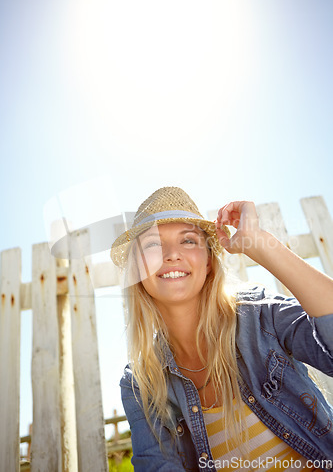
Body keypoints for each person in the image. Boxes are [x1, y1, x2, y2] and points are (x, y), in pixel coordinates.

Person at [110, 186, 333, 471]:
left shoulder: (261, 316)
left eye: (188, 241)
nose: (171, 254)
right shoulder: (140, 384)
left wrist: (258, 243)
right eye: (152, 245)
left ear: (209, 263)